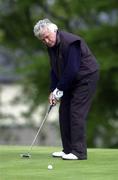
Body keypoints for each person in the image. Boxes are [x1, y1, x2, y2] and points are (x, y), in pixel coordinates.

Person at [33, 18, 99, 160]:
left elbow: (72, 69)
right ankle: (68, 149)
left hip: (86, 77)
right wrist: (53, 90)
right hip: (71, 79)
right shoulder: (51, 47)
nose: (46, 41)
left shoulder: (71, 42)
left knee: (76, 112)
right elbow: (55, 70)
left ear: (54, 30)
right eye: (42, 39)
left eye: (47, 37)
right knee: (64, 111)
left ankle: (79, 152)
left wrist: (59, 90)